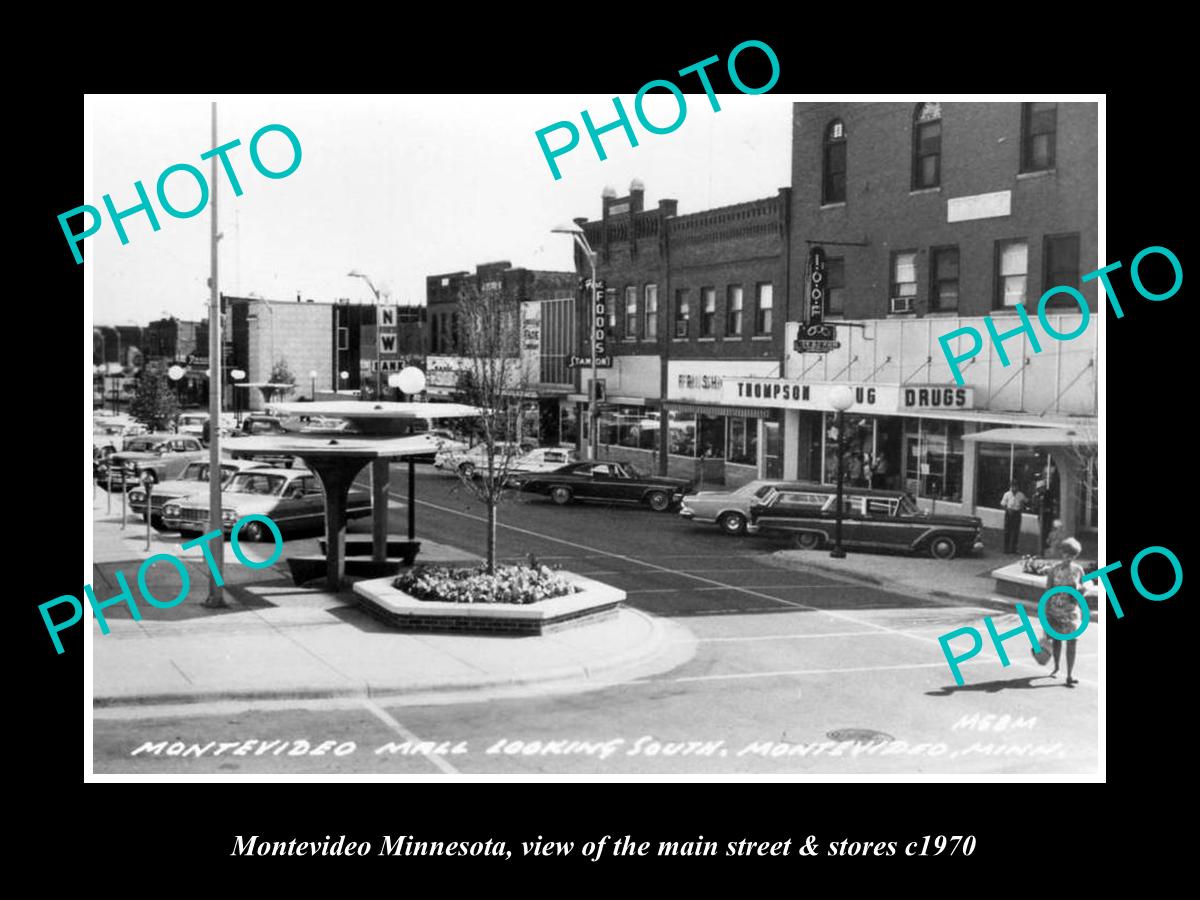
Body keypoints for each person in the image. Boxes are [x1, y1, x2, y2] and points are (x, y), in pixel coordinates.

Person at [1044, 537, 1086, 686]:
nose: (1068, 558)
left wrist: (1080, 589)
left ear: (1075, 556)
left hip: (1072, 611)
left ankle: (1070, 674)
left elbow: (1084, 588)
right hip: (1055, 610)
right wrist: (1045, 613)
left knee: (1072, 642)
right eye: (1066, 554)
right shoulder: (1054, 570)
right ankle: (1056, 667)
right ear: (1062, 553)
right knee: (1056, 641)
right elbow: (1048, 591)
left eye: (1072, 555)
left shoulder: (1078, 570)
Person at [999, 480, 1027, 553]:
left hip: (1017, 513)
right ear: (1010, 487)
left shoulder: (1021, 495)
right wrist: (1007, 509)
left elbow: (1025, 502)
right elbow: (1002, 504)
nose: (1014, 488)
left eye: (1015, 486)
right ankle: (1006, 549)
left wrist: (1022, 506)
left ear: (1018, 487)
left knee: (1016, 531)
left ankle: (1014, 549)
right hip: (1009, 513)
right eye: (1013, 486)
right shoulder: (1007, 494)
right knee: (1007, 531)